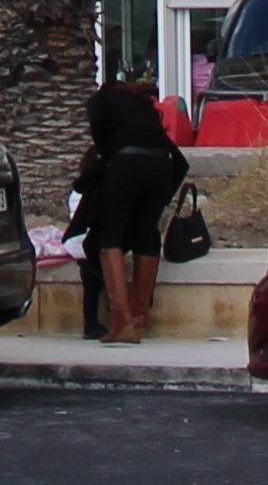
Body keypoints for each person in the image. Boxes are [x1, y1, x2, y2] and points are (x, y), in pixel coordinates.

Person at [75, 75, 187, 345]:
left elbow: (101, 139)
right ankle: (139, 317)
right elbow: (179, 161)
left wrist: (109, 161)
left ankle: (122, 321)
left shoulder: (100, 100)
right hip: (161, 166)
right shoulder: (143, 104)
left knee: (109, 238)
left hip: (126, 163)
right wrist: (161, 198)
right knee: (147, 235)